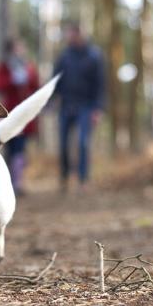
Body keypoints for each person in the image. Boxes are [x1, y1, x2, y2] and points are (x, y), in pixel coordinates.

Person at [52, 23, 105, 192]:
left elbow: (101, 84)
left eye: (71, 35)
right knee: (63, 144)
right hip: (66, 105)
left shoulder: (94, 56)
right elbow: (55, 80)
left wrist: (98, 108)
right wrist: (52, 100)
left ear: (79, 35)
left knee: (83, 143)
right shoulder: (64, 56)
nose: (69, 39)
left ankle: (83, 179)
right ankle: (64, 177)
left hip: (87, 106)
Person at [0, 39, 39, 197]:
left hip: (24, 115)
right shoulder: (4, 67)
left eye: (22, 47)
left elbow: (35, 85)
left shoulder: (28, 65)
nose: (21, 50)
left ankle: (18, 182)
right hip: (8, 113)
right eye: (18, 47)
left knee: (20, 148)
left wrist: (27, 78)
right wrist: (13, 80)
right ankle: (6, 182)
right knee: (8, 148)